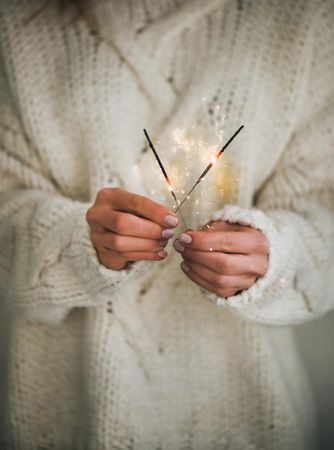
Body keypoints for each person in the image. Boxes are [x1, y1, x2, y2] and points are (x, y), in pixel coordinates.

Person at [0, 0, 333, 448]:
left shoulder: (303, 19)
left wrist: (271, 257)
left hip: (248, 412)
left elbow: (323, 219)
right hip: (71, 411)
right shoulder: (18, 23)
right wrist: (77, 242)